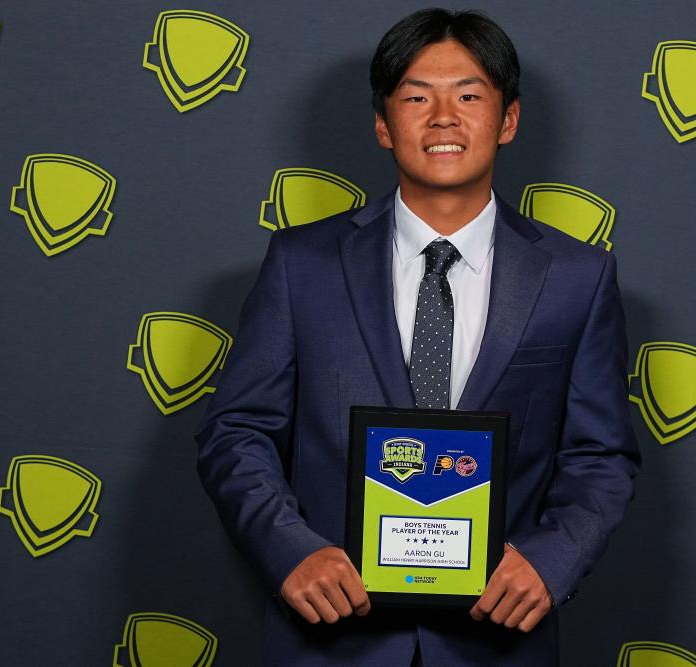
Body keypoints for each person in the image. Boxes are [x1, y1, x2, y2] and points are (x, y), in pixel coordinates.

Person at [195, 8, 640, 666]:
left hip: (497, 639)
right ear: (382, 123)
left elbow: (601, 455)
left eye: (467, 95)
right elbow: (236, 430)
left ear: (507, 119)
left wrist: (552, 560)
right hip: (329, 638)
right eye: (414, 97)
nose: (442, 118)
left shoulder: (578, 276)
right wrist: (289, 548)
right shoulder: (302, 264)